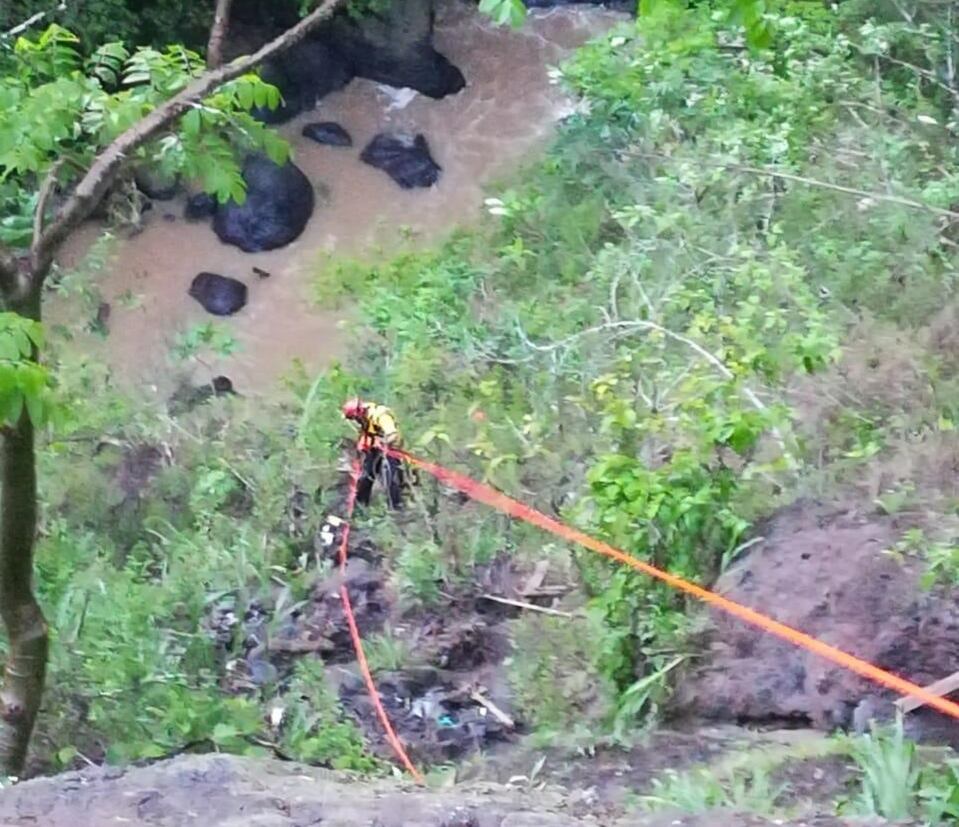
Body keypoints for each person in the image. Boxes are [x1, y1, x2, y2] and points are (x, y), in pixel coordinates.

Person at [341, 397, 406, 509]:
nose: (354, 421)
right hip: (374, 449)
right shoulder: (365, 418)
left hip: (390, 450)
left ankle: (396, 509)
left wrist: (384, 444)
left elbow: (393, 435)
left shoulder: (381, 416)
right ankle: (360, 507)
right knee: (365, 477)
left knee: (390, 480)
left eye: (354, 418)